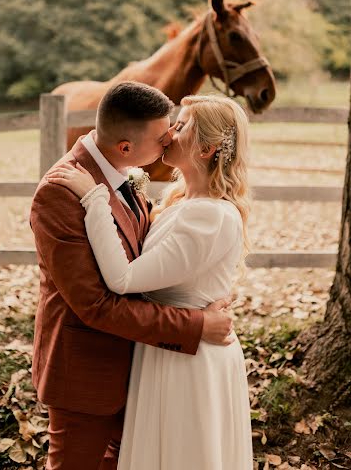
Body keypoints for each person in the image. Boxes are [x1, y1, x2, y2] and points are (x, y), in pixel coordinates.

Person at [30, 82, 235, 470]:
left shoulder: (123, 172)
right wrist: (197, 325)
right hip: (86, 376)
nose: (170, 139)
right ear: (126, 146)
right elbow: (96, 306)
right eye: (162, 136)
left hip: (143, 368)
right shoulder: (61, 191)